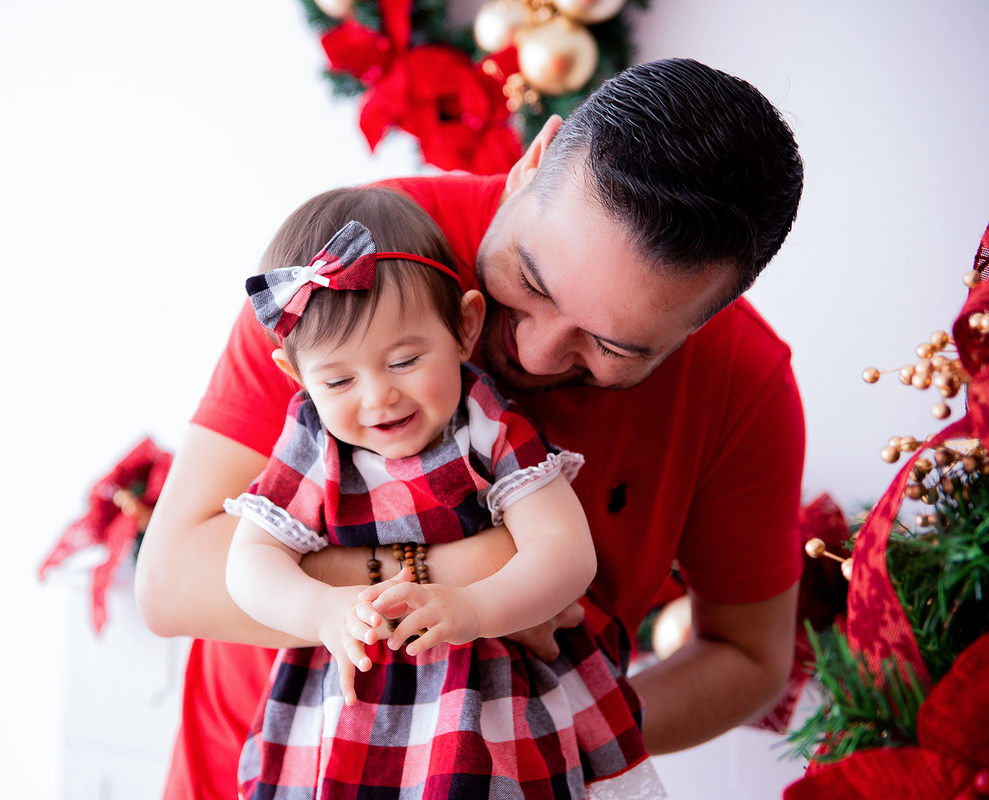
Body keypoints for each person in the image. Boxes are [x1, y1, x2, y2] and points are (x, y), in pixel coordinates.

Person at [137, 58, 806, 800]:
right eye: (531, 283)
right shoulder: (356, 270)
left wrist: (555, 727)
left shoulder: (745, 383)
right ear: (534, 161)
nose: (536, 351)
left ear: (703, 325)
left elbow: (748, 657)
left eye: (613, 347)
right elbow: (173, 584)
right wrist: (481, 574)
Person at [223, 193, 652, 799]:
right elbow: (249, 563)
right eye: (339, 380)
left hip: (485, 702)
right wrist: (320, 611)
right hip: (351, 711)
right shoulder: (313, 441)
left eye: (405, 360)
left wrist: (477, 608)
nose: (377, 398)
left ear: (465, 329)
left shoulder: (484, 423)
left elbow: (565, 549)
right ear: (297, 378)